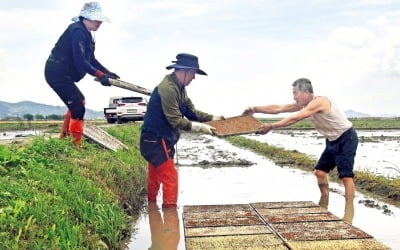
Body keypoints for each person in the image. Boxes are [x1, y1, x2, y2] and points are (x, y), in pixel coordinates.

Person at [243, 78, 358, 223]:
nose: (294, 96)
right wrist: (255, 109)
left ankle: (349, 214)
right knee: (320, 172)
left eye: (295, 92)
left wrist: (271, 127)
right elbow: (278, 108)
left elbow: (296, 118)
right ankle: (324, 201)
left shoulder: (319, 102)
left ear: (305, 92)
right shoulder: (302, 104)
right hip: (331, 139)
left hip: (346, 137)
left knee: (346, 176)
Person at [140, 53, 224, 208]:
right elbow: (175, 120)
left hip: (159, 139)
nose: (194, 78)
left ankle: (152, 209)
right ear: (184, 71)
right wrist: (200, 127)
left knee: (155, 174)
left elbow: (192, 112)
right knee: (170, 178)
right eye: (193, 74)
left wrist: (213, 117)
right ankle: (170, 215)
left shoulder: (180, 88)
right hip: (156, 139)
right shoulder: (168, 88)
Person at [44, 2, 120, 145]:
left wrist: (107, 72)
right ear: (86, 18)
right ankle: (75, 145)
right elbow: (80, 62)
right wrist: (100, 75)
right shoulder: (77, 31)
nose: (100, 22)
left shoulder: (87, 34)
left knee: (79, 102)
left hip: (64, 73)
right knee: (78, 106)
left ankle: (64, 139)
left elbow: (90, 59)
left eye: (100, 20)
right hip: (57, 72)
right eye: (96, 19)